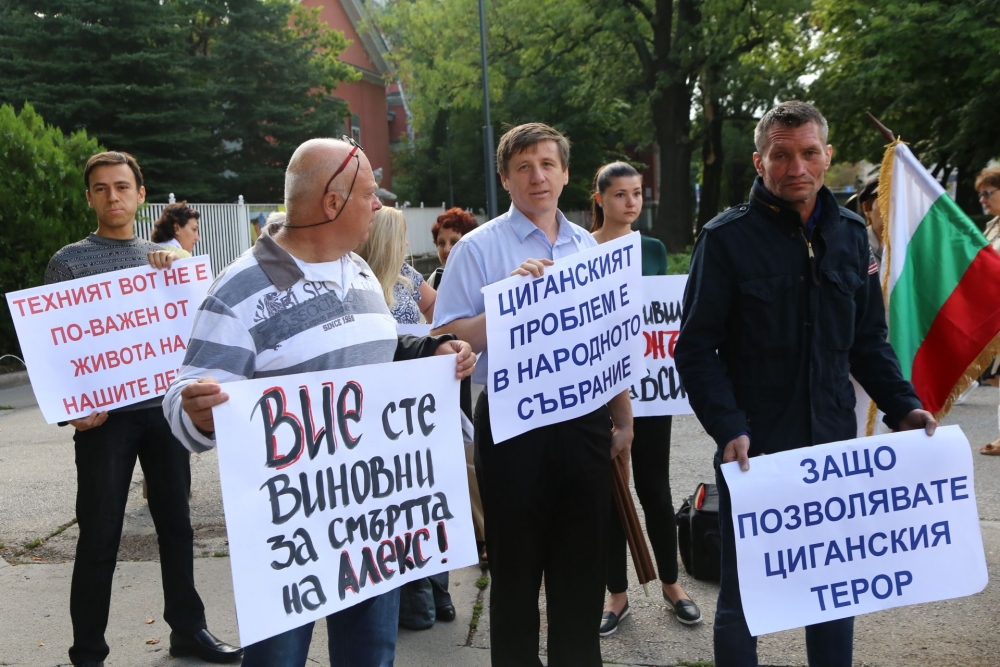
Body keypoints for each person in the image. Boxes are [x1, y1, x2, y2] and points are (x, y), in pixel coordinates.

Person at [161, 137, 475, 667]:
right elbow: (183, 403)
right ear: (332, 203)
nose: (379, 207)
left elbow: (371, 353)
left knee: (371, 657)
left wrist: (430, 348)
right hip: (290, 542)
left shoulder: (357, 269)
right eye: (370, 195)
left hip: (374, 521)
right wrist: (195, 409)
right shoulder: (237, 291)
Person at [674, 101, 937, 667]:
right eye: (781, 154)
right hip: (755, 452)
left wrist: (904, 408)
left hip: (834, 450)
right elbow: (695, 350)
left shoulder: (851, 236)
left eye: (809, 152)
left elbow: (867, 342)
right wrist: (728, 428)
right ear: (759, 160)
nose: (797, 166)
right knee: (743, 602)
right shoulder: (725, 240)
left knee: (833, 598)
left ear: (828, 156)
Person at [432, 122, 634, 667]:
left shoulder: (589, 247)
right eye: (524, 166)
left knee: (580, 569)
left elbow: (608, 340)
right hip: (511, 425)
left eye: (547, 164)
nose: (537, 176)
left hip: (583, 424)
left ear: (566, 174)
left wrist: (623, 419)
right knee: (517, 574)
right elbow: (443, 337)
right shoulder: (478, 248)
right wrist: (509, 303)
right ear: (505, 177)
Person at [45, 151, 241, 667]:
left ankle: (188, 630)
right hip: (104, 421)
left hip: (163, 412)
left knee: (176, 524)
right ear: (89, 197)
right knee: (99, 533)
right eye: (102, 188)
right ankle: (88, 651)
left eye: (122, 187)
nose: (113, 196)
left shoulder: (166, 258)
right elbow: (57, 352)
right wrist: (73, 410)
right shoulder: (68, 262)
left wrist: (178, 264)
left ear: (140, 195)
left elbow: (198, 320)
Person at [588, 162, 701, 635]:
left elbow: (666, 312)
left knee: (654, 487)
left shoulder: (652, 249)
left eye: (636, 193)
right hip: (599, 392)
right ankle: (617, 593)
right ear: (600, 199)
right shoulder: (580, 249)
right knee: (611, 494)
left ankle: (672, 583)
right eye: (620, 195)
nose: (631, 203)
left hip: (650, 391)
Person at [356, 207, 436, 323]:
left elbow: (433, 303)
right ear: (385, 241)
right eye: (401, 236)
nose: (406, 243)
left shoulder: (402, 270)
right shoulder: (352, 274)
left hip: (414, 341)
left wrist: (434, 336)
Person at [976, 167, 1000, 454]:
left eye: (987, 193)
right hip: (994, 313)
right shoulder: (993, 225)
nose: (982, 199)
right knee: (996, 378)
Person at [429, 207, 480, 289]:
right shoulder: (436, 279)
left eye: (454, 242)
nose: (446, 249)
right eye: (441, 243)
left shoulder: (483, 279)